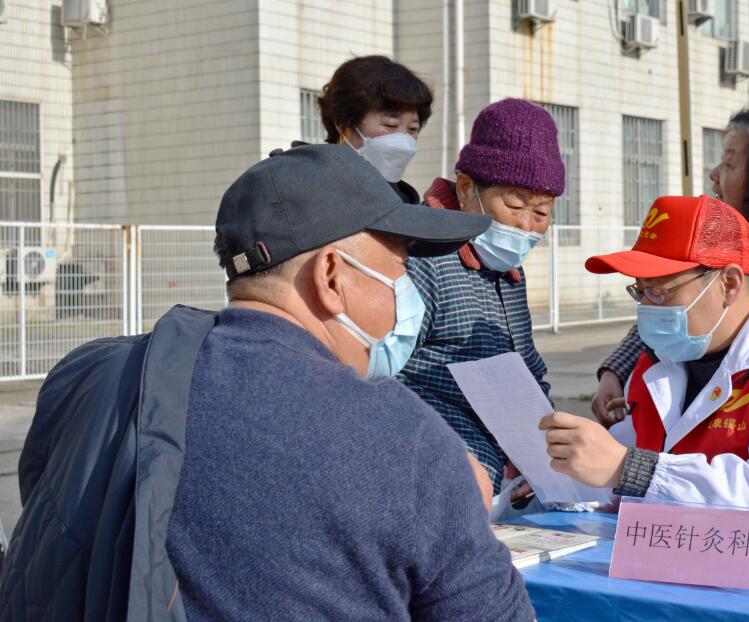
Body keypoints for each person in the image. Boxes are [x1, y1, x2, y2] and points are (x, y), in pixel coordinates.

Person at [0, 145, 536, 622]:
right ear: (331, 277)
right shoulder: (403, 436)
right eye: (398, 272)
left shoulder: (90, 373)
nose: (406, 298)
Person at [540, 195, 749, 545]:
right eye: (641, 291)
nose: (647, 309)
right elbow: (616, 464)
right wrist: (559, 472)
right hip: (675, 570)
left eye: (661, 292)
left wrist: (629, 470)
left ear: (729, 284)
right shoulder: (659, 362)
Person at [593, 109, 749, 427]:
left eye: (729, 162)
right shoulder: (720, 244)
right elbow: (665, 304)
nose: (714, 174)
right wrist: (616, 372)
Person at [398, 98, 564, 518]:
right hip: (440, 483)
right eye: (514, 205)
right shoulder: (420, 260)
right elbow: (385, 379)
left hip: (508, 477)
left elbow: (527, 370)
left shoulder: (506, 268)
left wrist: (542, 446)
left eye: (541, 211)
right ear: (468, 188)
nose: (526, 225)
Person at [294, 55, 433, 204]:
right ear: (345, 125)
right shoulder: (295, 183)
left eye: (412, 129)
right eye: (390, 125)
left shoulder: (405, 200)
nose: (404, 140)